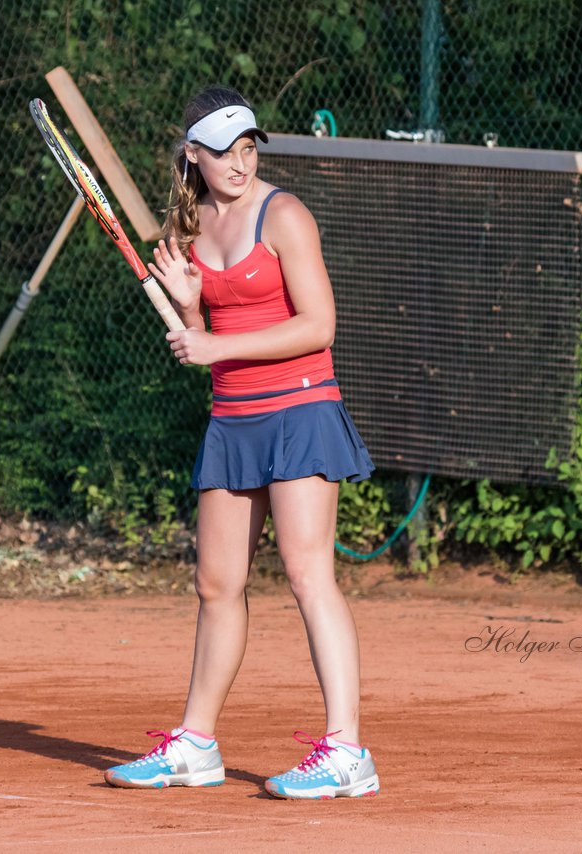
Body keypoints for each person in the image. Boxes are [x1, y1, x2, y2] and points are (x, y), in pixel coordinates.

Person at [103, 86, 379, 800]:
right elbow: (214, 342)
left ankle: (348, 752)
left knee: (307, 572)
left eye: (249, 146)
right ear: (192, 154)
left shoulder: (283, 214)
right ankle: (195, 745)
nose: (239, 162)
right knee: (216, 584)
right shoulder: (190, 228)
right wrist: (194, 307)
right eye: (223, 149)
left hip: (301, 411)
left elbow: (319, 325)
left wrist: (211, 341)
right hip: (234, 417)